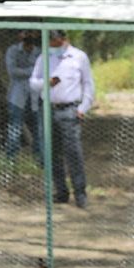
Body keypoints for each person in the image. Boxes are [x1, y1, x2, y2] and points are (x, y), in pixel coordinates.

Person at [29, 29, 95, 209]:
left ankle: (80, 194)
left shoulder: (79, 57)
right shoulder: (44, 57)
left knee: (73, 153)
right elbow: (33, 82)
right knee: (52, 153)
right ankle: (61, 191)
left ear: (63, 39)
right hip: (48, 109)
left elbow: (88, 83)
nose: (51, 44)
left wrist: (83, 108)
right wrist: (46, 83)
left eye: (54, 41)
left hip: (69, 110)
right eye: (49, 41)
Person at [5, 30, 41, 163]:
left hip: (36, 95)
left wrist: (27, 72)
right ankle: (11, 159)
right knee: (15, 127)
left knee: (38, 127)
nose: (28, 37)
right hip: (17, 95)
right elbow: (12, 72)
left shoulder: (39, 52)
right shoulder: (13, 51)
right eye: (25, 34)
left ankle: (39, 157)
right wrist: (32, 71)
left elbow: (43, 71)